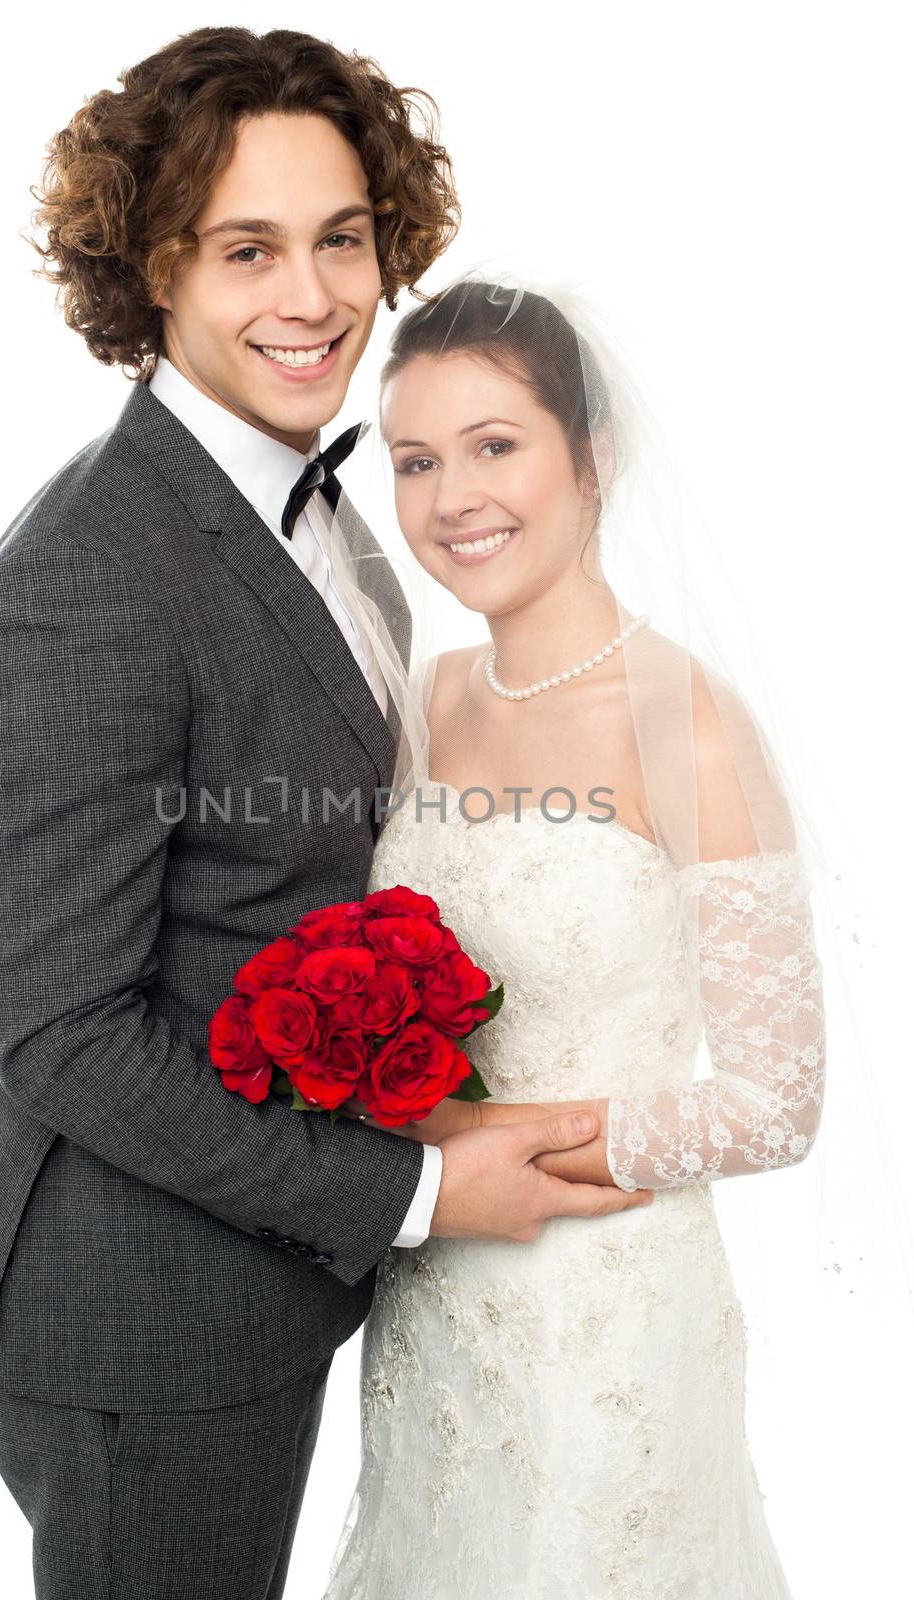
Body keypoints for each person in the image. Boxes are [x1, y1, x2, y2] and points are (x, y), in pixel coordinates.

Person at [0, 33, 650, 1600]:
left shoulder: (336, 508)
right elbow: (62, 1032)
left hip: (273, 1283)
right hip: (147, 1323)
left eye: (341, 238)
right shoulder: (89, 575)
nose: (313, 297)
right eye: (246, 249)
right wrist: (408, 1193)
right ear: (149, 266)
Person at [321, 277, 827, 1597]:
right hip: (434, 1301)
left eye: (495, 446)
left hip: (610, 1308)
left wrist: (488, 1143)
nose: (449, 499)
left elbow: (775, 1104)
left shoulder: (683, 719)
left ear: (589, 460)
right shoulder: (421, 702)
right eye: (417, 461)